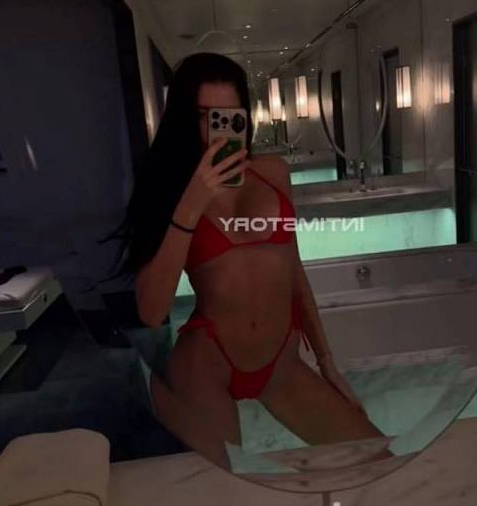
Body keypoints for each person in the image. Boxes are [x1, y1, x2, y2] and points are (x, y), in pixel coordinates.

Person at [102, 52, 386, 469]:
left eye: (230, 116)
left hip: (281, 362)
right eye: (205, 117)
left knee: (379, 459)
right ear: (183, 120)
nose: (218, 129)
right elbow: (150, 310)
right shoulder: (170, 190)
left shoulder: (272, 172)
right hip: (207, 361)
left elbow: (294, 271)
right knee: (229, 488)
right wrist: (193, 201)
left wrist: (327, 363)